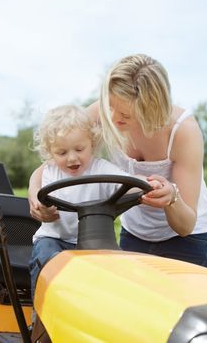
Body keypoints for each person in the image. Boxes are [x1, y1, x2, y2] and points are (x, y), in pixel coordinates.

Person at [29, 54, 207, 268]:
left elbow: (186, 225)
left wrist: (172, 197)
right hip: (134, 235)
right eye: (110, 105)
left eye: (125, 114)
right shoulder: (104, 112)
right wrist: (35, 195)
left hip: (189, 242)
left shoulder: (183, 131)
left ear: (150, 107)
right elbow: (49, 165)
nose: (113, 117)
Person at [29, 104, 160, 301]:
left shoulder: (102, 169)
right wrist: (42, 209)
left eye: (79, 149)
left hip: (94, 243)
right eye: (62, 153)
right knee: (46, 261)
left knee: (115, 273)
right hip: (54, 238)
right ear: (50, 152)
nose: (72, 158)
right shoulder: (49, 172)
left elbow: (130, 183)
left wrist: (149, 184)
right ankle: (40, 316)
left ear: (92, 142)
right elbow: (40, 198)